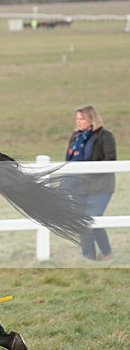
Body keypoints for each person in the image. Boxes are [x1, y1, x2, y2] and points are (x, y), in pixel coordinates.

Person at [65, 105, 117, 261]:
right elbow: (68, 161)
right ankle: (88, 257)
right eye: (77, 119)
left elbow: (110, 160)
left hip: (99, 187)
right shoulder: (75, 137)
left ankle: (107, 253)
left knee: (93, 218)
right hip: (78, 186)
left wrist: (90, 171)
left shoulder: (104, 136)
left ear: (91, 119)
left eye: (82, 119)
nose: (78, 122)